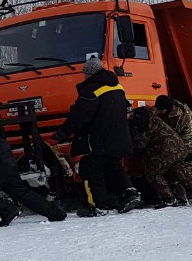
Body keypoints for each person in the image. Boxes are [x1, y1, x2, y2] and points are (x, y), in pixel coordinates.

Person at [54, 54, 142, 217]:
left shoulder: (91, 90)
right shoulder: (117, 86)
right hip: (120, 138)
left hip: (100, 140)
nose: (84, 76)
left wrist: (60, 134)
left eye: (85, 73)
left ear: (90, 73)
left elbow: (79, 116)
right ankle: (130, 193)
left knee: (90, 168)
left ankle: (98, 205)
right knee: (113, 165)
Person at [128, 106, 192, 207]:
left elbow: (141, 142)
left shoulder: (140, 120)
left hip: (166, 149)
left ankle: (168, 199)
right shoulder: (150, 116)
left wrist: (131, 150)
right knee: (180, 172)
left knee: (153, 173)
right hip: (179, 146)